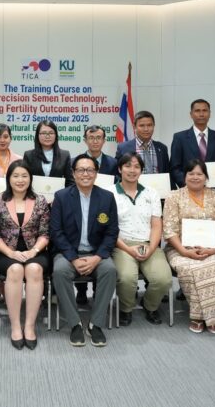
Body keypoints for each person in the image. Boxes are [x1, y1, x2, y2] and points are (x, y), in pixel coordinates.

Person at [50, 154, 118, 347]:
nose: (85, 174)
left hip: (96, 253)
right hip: (68, 253)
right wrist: (73, 258)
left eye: (90, 170)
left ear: (96, 173)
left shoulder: (107, 197)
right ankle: (75, 324)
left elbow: (112, 232)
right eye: (81, 170)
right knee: (60, 271)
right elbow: (56, 232)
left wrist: (97, 258)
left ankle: (96, 324)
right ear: (73, 173)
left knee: (110, 270)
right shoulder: (61, 197)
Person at [163, 159, 215, 334]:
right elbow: (169, 230)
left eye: (199, 174)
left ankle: (202, 316)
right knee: (189, 268)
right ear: (184, 176)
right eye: (191, 173)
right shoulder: (173, 197)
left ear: (206, 177)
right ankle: (208, 316)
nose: (195, 177)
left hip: (213, 249)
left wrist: (213, 249)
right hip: (180, 249)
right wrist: (185, 251)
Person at [0, 160, 50, 350]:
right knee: (15, 270)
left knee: (34, 269)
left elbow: (45, 233)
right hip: (6, 252)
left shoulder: (40, 201)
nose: (20, 180)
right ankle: (15, 326)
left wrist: (34, 251)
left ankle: (29, 326)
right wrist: (10, 253)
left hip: (35, 251)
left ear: (30, 179)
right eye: (15, 176)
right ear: (8, 179)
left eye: (24, 176)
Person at [112, 152, 172, 326]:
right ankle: (126, 309)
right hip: (121, 245)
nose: (132, 170)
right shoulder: (109, 193)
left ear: (141, 170)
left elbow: (156, 225)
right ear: (120, 169)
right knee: (126, 278)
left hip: (148, 243)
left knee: (163, 279)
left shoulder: (151, 193)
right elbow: (109, 229)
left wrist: (151, 248)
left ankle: (150, 305)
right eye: (127, 166)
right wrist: (127, 249)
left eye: (137, 166)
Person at [74, 125, 118, 304]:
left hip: (103, 208)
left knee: (98, 243)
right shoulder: (76, 162)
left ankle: (99, 295)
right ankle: (81, 290)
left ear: (104, 140)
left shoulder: (113, 163)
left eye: (98, 138)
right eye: (91, 138)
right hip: (82, 207)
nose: (95, 141)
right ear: (85, 140)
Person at [170, 99, 215, 189]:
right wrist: (189, 185)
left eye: (205, 110)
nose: (201, 114)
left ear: (210, 113)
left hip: (213, 191)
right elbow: (175, 167)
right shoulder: (180, 138)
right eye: (197, 111)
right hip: (188, 190)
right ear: (191, 114)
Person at [115, 111, 170, 176]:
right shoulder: (123, 148)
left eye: (149, 125)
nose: (146, 129)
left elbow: (167, 174)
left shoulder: (162, 148)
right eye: (142, 125)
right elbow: (117, 173)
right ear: (134, 127)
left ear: (154, 126)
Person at [23, 120, 74, 188]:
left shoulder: (65, 155)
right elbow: (25, 179)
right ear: (38, 135)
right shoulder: (28, 155)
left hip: (58, 194)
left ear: (56, 135)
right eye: (44, 133)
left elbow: (70, 182)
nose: (47, 136)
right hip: (34, 194)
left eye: (51, 133)